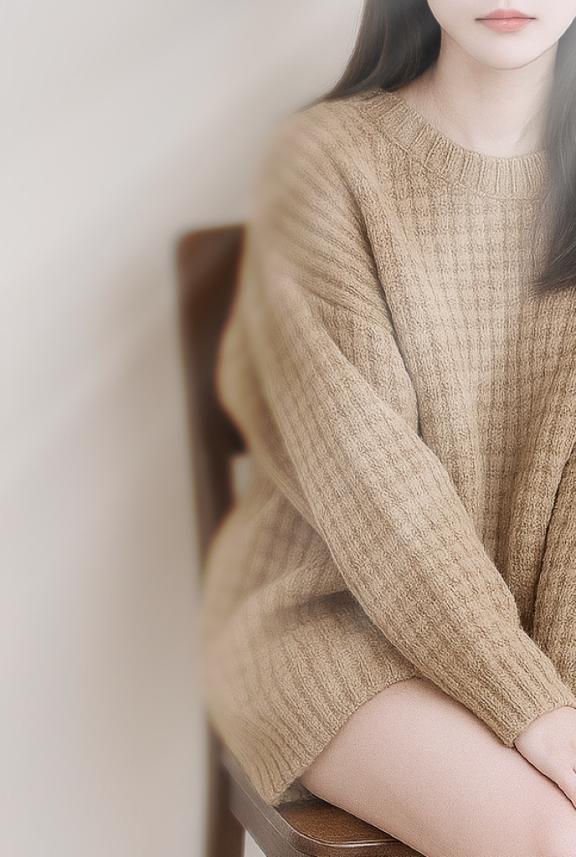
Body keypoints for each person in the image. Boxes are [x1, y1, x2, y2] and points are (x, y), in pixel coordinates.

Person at [198, 2, 576, 855]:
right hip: (334, 617)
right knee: (552, 839)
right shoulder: (324, 162)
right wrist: (537, 709)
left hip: (534, 628)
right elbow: (373, 490)